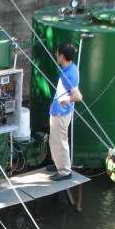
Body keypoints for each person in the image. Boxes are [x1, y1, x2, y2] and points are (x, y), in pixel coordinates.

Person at [47, 43, 82, 181]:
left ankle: (64, 171)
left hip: (61, 113)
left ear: (62, 56)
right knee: (55, 140)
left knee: (59, 141)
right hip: (59, 111)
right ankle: (59, 165)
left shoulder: (70, 74)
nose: (56, 55)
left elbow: (78, 96)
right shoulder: (70, 68)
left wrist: (65, 99)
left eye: (57, 54)